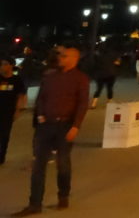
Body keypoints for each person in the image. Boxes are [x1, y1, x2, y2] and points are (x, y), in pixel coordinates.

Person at [12, 46, 90, 215]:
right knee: (38, 165)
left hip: (65, 126)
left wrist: (76, 125)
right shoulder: (50, 76)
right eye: (60, 55)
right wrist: (40, 115)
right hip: (45, 126)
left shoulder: (80, 79)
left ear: (74, 59)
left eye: (64, 55)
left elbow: (83, 103)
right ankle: (35, 204)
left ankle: (63, 195)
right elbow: (41, 97)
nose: (60, 57)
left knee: (63, 164)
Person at [1, 56, 28, 165]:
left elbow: (21, 96)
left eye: (5, 64)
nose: (3, 67)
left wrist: (18, 110)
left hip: (8, 112)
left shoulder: (16, 80)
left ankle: (1, 156)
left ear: (11, 65)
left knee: (4, 136)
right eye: (1, 64)